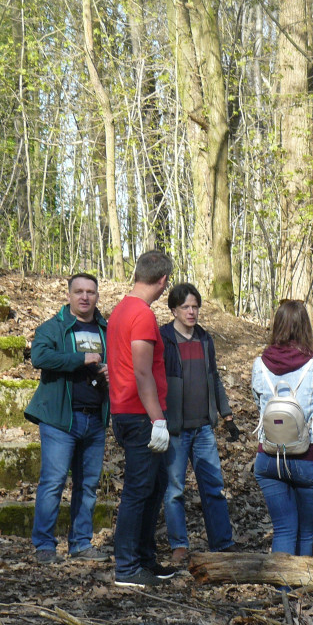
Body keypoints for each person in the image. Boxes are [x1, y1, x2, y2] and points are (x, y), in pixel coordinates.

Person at [25, 273, 110, 563]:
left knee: (88, 485)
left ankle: (81, 544)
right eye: (79, 291)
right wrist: (80, 359)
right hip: (61, 419)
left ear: (97, 296)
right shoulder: (54, 327)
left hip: (95, 418)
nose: (85, 297)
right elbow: (39, 357)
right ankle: (44, 546)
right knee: (53, 483)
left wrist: (111, 371)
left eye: (90, 292)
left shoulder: (106, 329)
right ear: (69, 295)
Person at [106, 250, 176, 588]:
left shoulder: (121, 310)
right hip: (139, 415)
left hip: (126, 412)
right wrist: (157, 420)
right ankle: (127, 567)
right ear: (162, 281)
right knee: (138, 490)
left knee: (155, 485)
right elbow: (142, 371)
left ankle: (145, 559)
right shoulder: (142, 315)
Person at [160, 283, 240, 564]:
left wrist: (226, 414)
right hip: (176, 429)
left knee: (213, 487)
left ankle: (222, 542)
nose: (191, 312)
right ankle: (179, 545)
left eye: (195, 307)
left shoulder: (205, 339)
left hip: (204, 428)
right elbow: (155, 380)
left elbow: (214, 377)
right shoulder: (164, 339)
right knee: (174, 490)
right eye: (186, 307)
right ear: (174, 310)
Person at [251, 300, 313, 556]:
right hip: (310, 457)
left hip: (270, 458)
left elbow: (259, 404)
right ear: (306, 327)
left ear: (276, 326)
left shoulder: (259, 364)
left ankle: (281, 581)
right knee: (306, 532)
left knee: (284, 530)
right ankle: (301, 582)